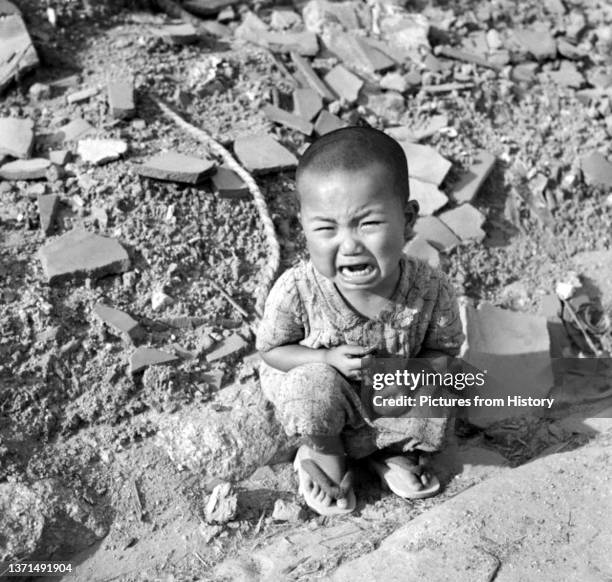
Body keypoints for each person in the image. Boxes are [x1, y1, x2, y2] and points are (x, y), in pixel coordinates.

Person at [256, 126, 464, 515]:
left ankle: (390, 454)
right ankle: (326, 455)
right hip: (329, 401)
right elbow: (272, 352)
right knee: (312, 383)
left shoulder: (430, 288)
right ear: (303, 227)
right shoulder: (297, 289)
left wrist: (414, 375)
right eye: (325, 228)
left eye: (368, 224)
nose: (349, 244)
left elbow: (444, 351)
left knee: (438, 392)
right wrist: (326, 359)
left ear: (407, 219)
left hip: (391, 400)